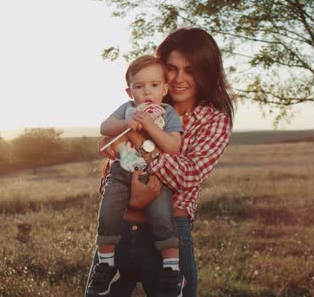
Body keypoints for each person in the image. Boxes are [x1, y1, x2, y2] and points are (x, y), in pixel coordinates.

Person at [85, 27, 235, 297]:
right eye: (171, 68)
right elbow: (111, 157)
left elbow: (188, 176)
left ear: (206, 72)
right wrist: (118, 147)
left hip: (168, 233)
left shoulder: (213, 120)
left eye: (190, 70)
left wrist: (140, 141)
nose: (179, 79)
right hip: (120, 226)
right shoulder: (143, 98)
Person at [87, 55, 185, 296]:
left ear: (164, 88)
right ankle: (107, 263)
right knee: (109, 206)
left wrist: (150, 126)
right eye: (139, 87)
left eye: (153, 85)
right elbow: (104, 126)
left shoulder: (167, 112)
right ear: (130, 91)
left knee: (162, 215)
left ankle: (172, 270)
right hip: (123, 169)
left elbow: (173, 146)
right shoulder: (127, 109)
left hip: (153, 173)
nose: (146, 92)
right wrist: (127, 124)